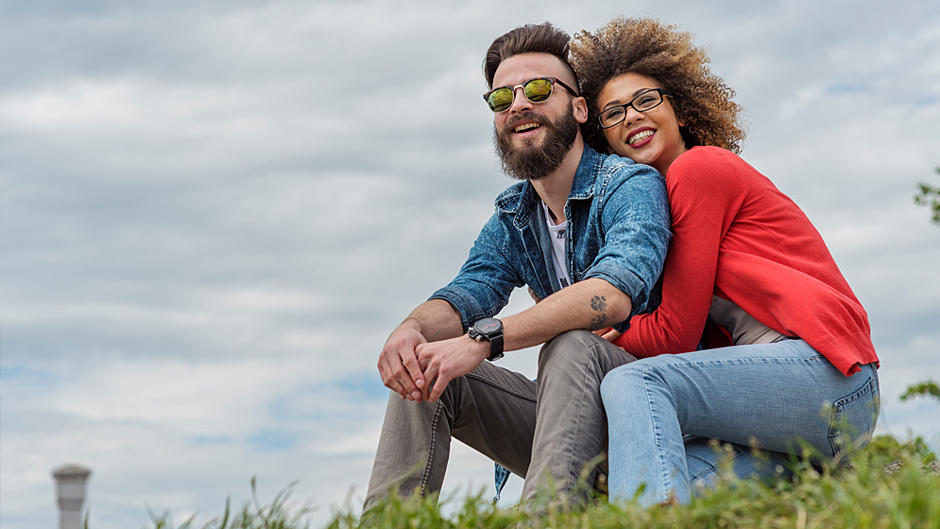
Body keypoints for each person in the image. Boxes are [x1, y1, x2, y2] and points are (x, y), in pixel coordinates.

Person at [568, 18, 881, 506]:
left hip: (829, 378)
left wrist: (606, 334)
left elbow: (675, 334)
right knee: (651, 478)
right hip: (788, 428)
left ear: (681, 110)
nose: (631, 117)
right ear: (602, 136)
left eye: (646, 101)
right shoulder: (652, 217)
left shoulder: (699, 169)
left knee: (632, 380)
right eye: (612, 113)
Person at [363, 22, 671, 510]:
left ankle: (543, 519)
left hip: (646, 419)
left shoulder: (628, 185)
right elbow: (470, 291)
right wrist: (411, 329)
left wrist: (486, 340)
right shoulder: (515, 217)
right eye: (502, 98)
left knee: (572, 345)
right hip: (564, 427)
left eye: (539, 89)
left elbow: (611, 294)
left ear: (579, 106)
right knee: (421, 364)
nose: (519, 105)